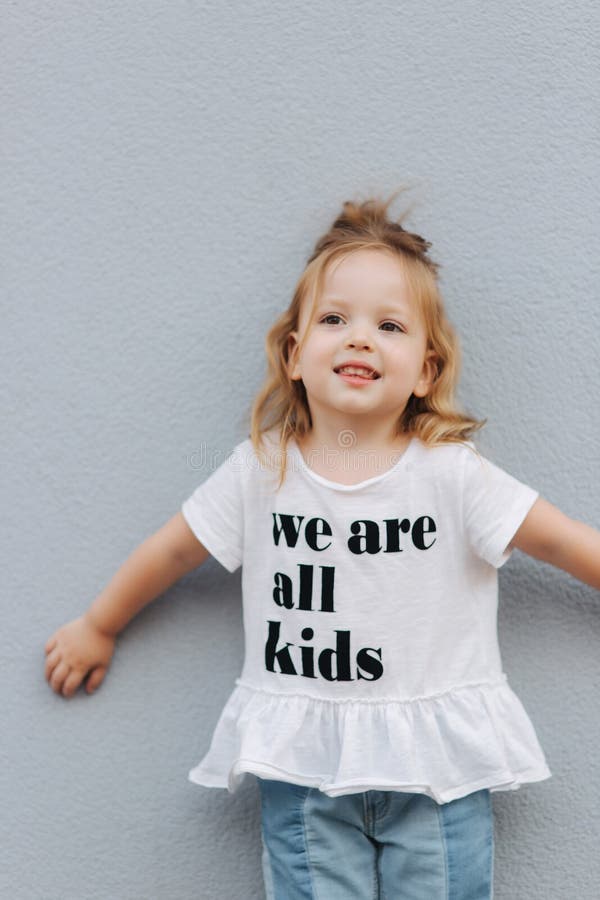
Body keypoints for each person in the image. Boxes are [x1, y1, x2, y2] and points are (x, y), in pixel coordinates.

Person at [45, 193, 600, 900]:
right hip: (304, 764)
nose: (359, 338)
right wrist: (100, 623)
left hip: (436, 767)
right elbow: (174, 551)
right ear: (295, 352)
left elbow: (562, 540)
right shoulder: (262, 470)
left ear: (426, 371)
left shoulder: (452, 476)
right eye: (335, 320)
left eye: (389, 326)